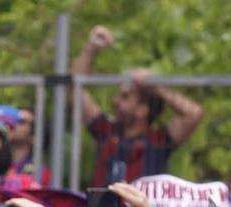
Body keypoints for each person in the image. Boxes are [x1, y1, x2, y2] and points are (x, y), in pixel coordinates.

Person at [71, 25, 204, 184]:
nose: (115, 101)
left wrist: (156, 87)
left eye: (125, 97)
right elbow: (74, 88)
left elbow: (194, 113)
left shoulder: (158, 140)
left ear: (142, 110)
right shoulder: (106, 130)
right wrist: (91, 48)